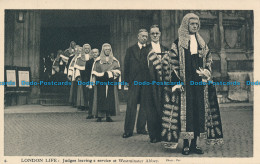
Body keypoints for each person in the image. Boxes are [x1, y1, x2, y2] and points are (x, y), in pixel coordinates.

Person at [162, 13, 223, 155]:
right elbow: (172, 63)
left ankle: (195, 144)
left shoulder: (202, 43)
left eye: (196, 24)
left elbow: (208, 59)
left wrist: (207, 71)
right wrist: (177, 82)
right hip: (186, 84)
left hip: (199, 85)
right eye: (192, 24)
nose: (195, 26)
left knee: (198, 113)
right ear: (186, 25)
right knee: (186, 114)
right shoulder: (178, 43)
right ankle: (185, 144)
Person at [141, 25, 169, 143]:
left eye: (157, 33)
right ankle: (153, 135)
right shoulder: (145, 50)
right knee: (151, 109)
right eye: (152, 34)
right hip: (150, 84)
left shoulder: (165, 49)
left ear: (160, 34)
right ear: (150, 35)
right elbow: (142, 68)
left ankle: (162, 134)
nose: (155, 35)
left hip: (163, 84)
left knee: (163, 108)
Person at [122, 29, 148, 138]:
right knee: (131, 106)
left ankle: (141, 128)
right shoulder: (130, 50)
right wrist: (126, 82)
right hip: (134, 81)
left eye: (146, 36)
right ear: (138, 36)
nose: (144, 38)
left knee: (144, 106)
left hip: (146, 82)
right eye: (142, 36)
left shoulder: (150, 49)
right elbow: (126, 66)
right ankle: (128, 130)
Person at [90, 43, 121, 122]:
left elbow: (118, 70)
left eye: (109, 50)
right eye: (106, 49)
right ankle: (100, 116)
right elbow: (94, 71)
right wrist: (95, 80)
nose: (107, 51)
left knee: (110, 99)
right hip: (101, 82)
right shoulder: (98, 61)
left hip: (110, 82)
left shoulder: (114, 60)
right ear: (103, 50)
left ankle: (108, 116)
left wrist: (112, 73)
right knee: (100, 98)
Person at [86, 48, 99, 119]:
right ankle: (90, 113)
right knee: (91, 97)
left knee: (98, 97)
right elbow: (87, 74)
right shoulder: (88, 62)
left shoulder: (100, 61)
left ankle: (97, 113)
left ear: (98, 53)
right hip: (91, 82)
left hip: (99, 82)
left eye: (96, 52)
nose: (94, 54)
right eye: (93, 52)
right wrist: (88, 83)